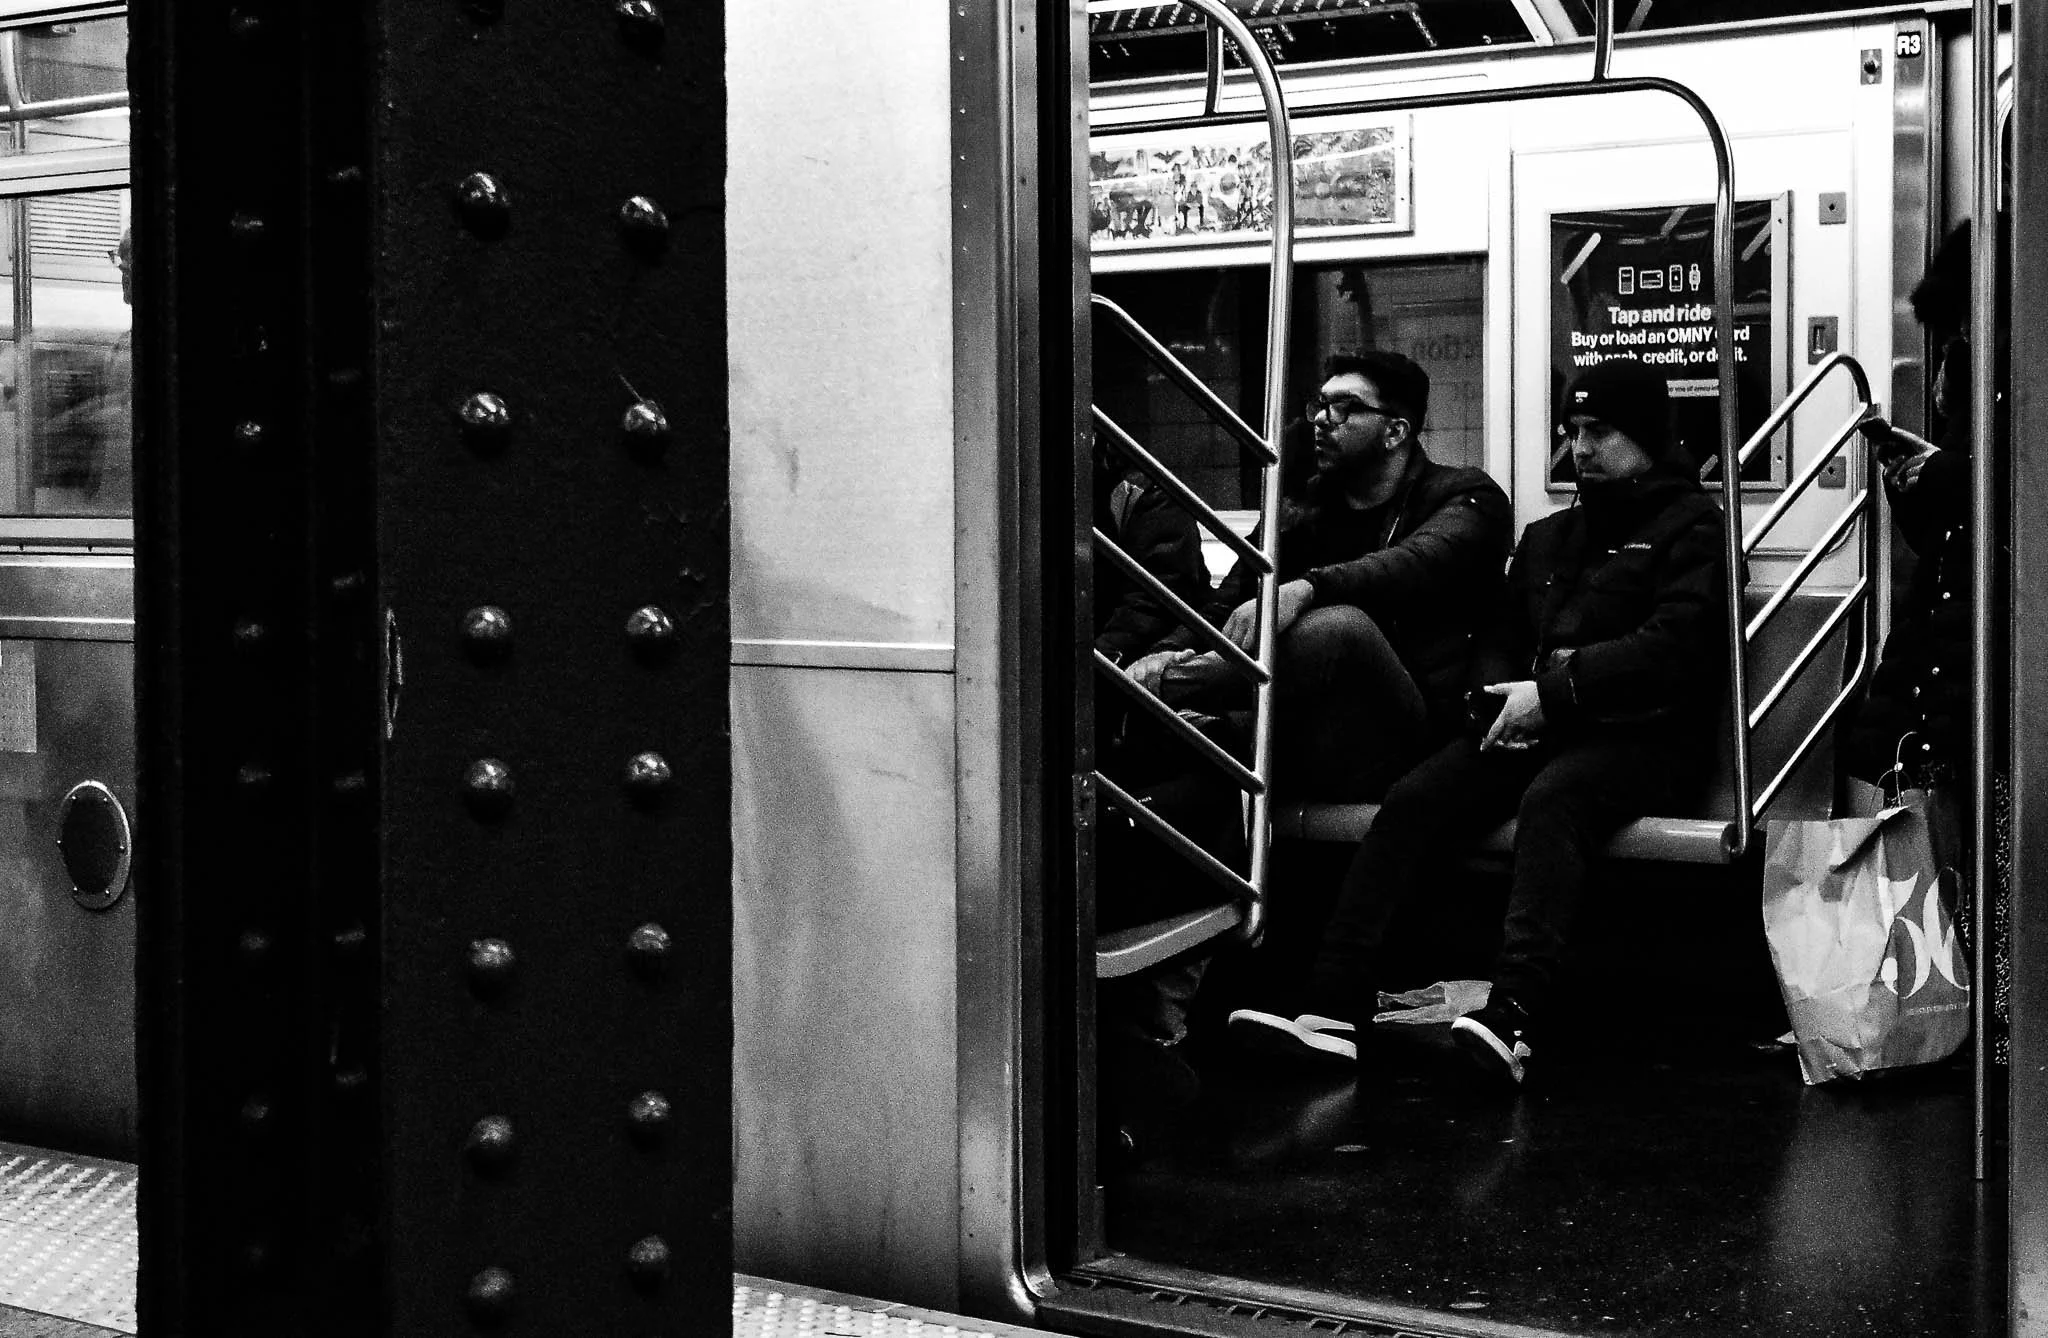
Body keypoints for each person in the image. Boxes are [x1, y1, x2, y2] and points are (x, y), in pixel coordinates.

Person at [1228, 358, 1730, 1087]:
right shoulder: (1552, 535)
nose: (1582, 449)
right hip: (1537, 724)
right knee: (1416, 798)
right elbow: (1499, 632)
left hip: (1645, 738)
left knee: (1556, 800)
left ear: (1648, 435)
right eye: (1572, 431)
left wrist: (1549, 695)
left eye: (1600, 432)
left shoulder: (1694, 529)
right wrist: (1498, 701)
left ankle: (1514, 1016)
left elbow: (1671, 649)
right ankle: (1332, 1008)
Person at [1126, 350, 1512, 804]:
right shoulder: (1306, 508)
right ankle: (1153, 695)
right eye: (1321, 405)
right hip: (1309, 726)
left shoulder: (1466, 495)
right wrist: (1167, 650)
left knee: (1336, 627)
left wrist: (1308, 589)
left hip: (1410, 732)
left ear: (1395, 432)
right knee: (1172, 794)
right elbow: (1231, 600)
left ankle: (1148, 693)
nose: (1322, 420)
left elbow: (1413, 564)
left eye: (1345, 407)